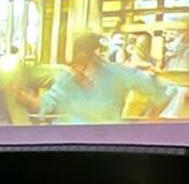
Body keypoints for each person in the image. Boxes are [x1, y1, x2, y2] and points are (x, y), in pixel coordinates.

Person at [39, 32, 175, 124]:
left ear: (94, 56)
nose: (78, 66)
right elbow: (46, 105)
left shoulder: (117, 74)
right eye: (76, 60)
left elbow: (164, 91)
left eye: (83, 58)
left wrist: (150, 119)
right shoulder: (66, 79)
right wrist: (21, 95)